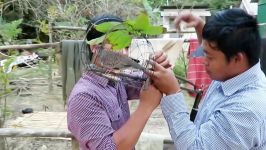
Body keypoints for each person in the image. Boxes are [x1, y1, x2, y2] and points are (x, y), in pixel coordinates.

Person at [144, 8, 266, 149]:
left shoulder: (245, 111)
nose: (203, 60)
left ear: (237, 59)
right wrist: (200, 26)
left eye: (209, 56)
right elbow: (218, 50)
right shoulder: (237, 72)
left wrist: (173, 92)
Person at [67, 14, 169, 150]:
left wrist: (159, 65)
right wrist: (145, 107)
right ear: (94, 47)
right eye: (116, 45)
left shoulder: (116, 78)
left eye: (126, 46)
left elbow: (149, 81)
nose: (125, 53)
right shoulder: (84, 97)